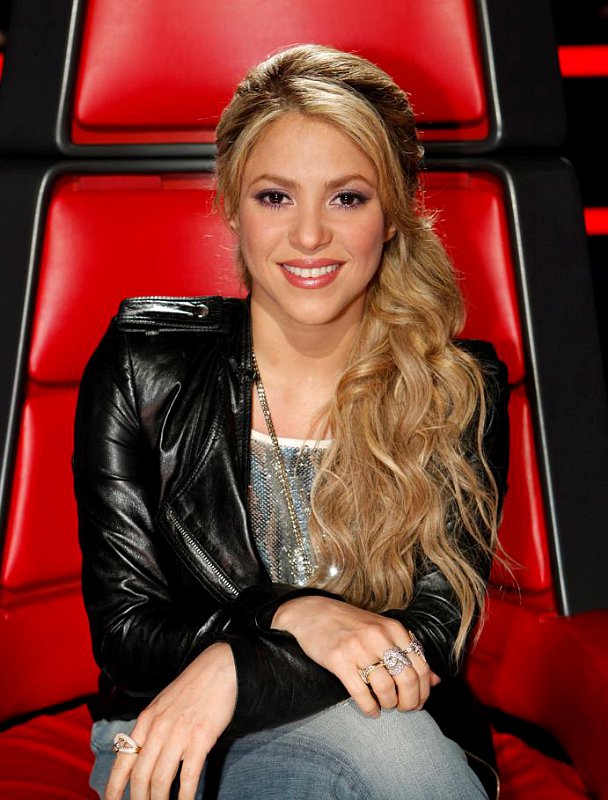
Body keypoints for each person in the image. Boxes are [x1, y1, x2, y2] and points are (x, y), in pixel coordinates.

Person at [73, 43, 509, 800]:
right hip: (180, 724)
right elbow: (128, 635)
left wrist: (240, 665)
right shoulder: (141, 365)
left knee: (390, 746)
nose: (309, 236)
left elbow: (435, 634)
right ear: (230, 204)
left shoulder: (456, 388)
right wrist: (295, 615)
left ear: (395, 213)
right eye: (276, 197)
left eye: (348, 198)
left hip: (381, 723)